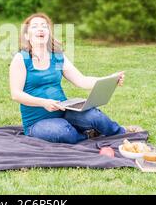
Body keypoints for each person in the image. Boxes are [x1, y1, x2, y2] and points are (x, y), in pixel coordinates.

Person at [9, 13, 143, 144]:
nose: (40, 29)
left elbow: (81, 80)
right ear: (26, 35)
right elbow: (16, 94)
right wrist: (44, 102)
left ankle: (121, 132)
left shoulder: (57, 56)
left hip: (64, 111)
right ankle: (85, 135)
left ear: (48, 32)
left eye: (44, 26)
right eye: (35, 26)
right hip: (37, 122)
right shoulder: (21, 59)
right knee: (63, 132)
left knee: (94, 115)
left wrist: (109, 78)